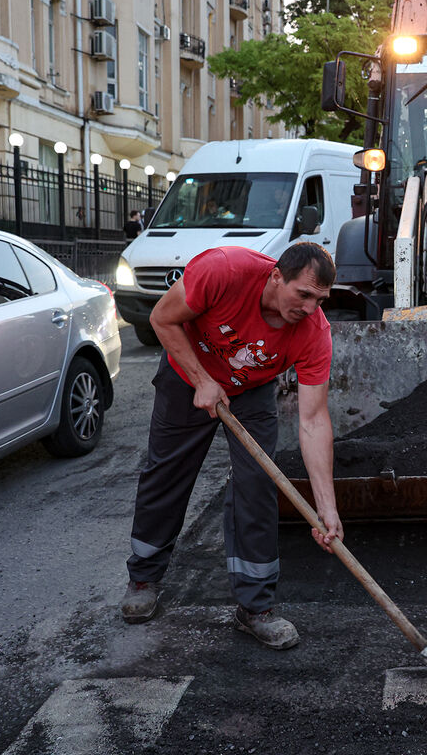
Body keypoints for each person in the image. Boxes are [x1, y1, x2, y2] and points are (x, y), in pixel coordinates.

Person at [120, 242, 343, 649]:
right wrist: (203, 380)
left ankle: (255, 606)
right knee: (167, 472)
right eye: (304, 294)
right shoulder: (224, 270)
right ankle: (143, 578)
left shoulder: (314, 333)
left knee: (256, 485)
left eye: (321, 300)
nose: (311, 308)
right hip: (187, 375)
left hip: (252, 391)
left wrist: (326, 507)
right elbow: (162, 318)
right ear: (277, 276)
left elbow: (313, 421)